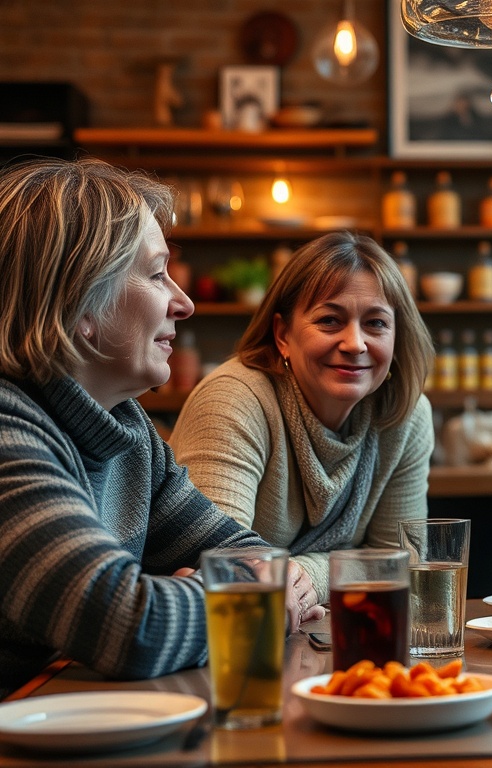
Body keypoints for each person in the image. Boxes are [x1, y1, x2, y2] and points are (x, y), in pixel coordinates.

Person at [0, 157, 320, 698]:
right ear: (79, 301)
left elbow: (262, 560)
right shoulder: (9, 431)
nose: (185, 302)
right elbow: (132, 628)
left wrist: (203, 590)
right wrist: (229, 594)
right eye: (155, 274)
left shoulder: (128, 431)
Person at [170, 231, 435, 605]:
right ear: (282, 335)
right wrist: (350, 570)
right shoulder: (233, 398)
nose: (355, 343)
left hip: (327, 637)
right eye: (329, 320)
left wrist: (312, 574)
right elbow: (219, 568)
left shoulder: (406, 414)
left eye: (376, 323)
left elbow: (404, 563)